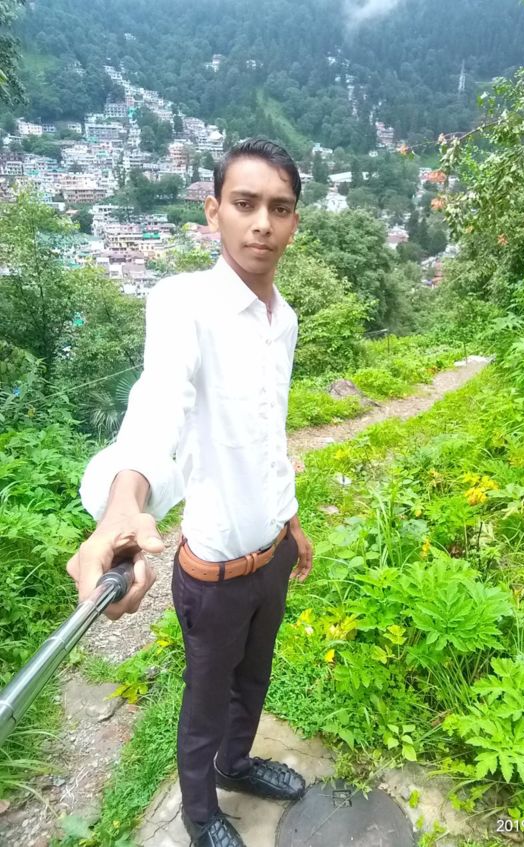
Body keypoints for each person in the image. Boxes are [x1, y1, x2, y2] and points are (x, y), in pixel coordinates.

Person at [66, 138, 314, 847]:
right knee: (205, 700)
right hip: (214, 573)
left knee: (255, 680)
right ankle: (200, 812)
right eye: (245, 203)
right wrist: (126, 498)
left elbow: (269, 435)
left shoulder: (284, 320)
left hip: (271, 555)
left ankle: (237, 766)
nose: (261, 222)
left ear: (294, 222)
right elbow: (159, 403)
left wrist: (292, 520)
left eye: (279, 208)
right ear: (213, 212)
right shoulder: (184, 304)